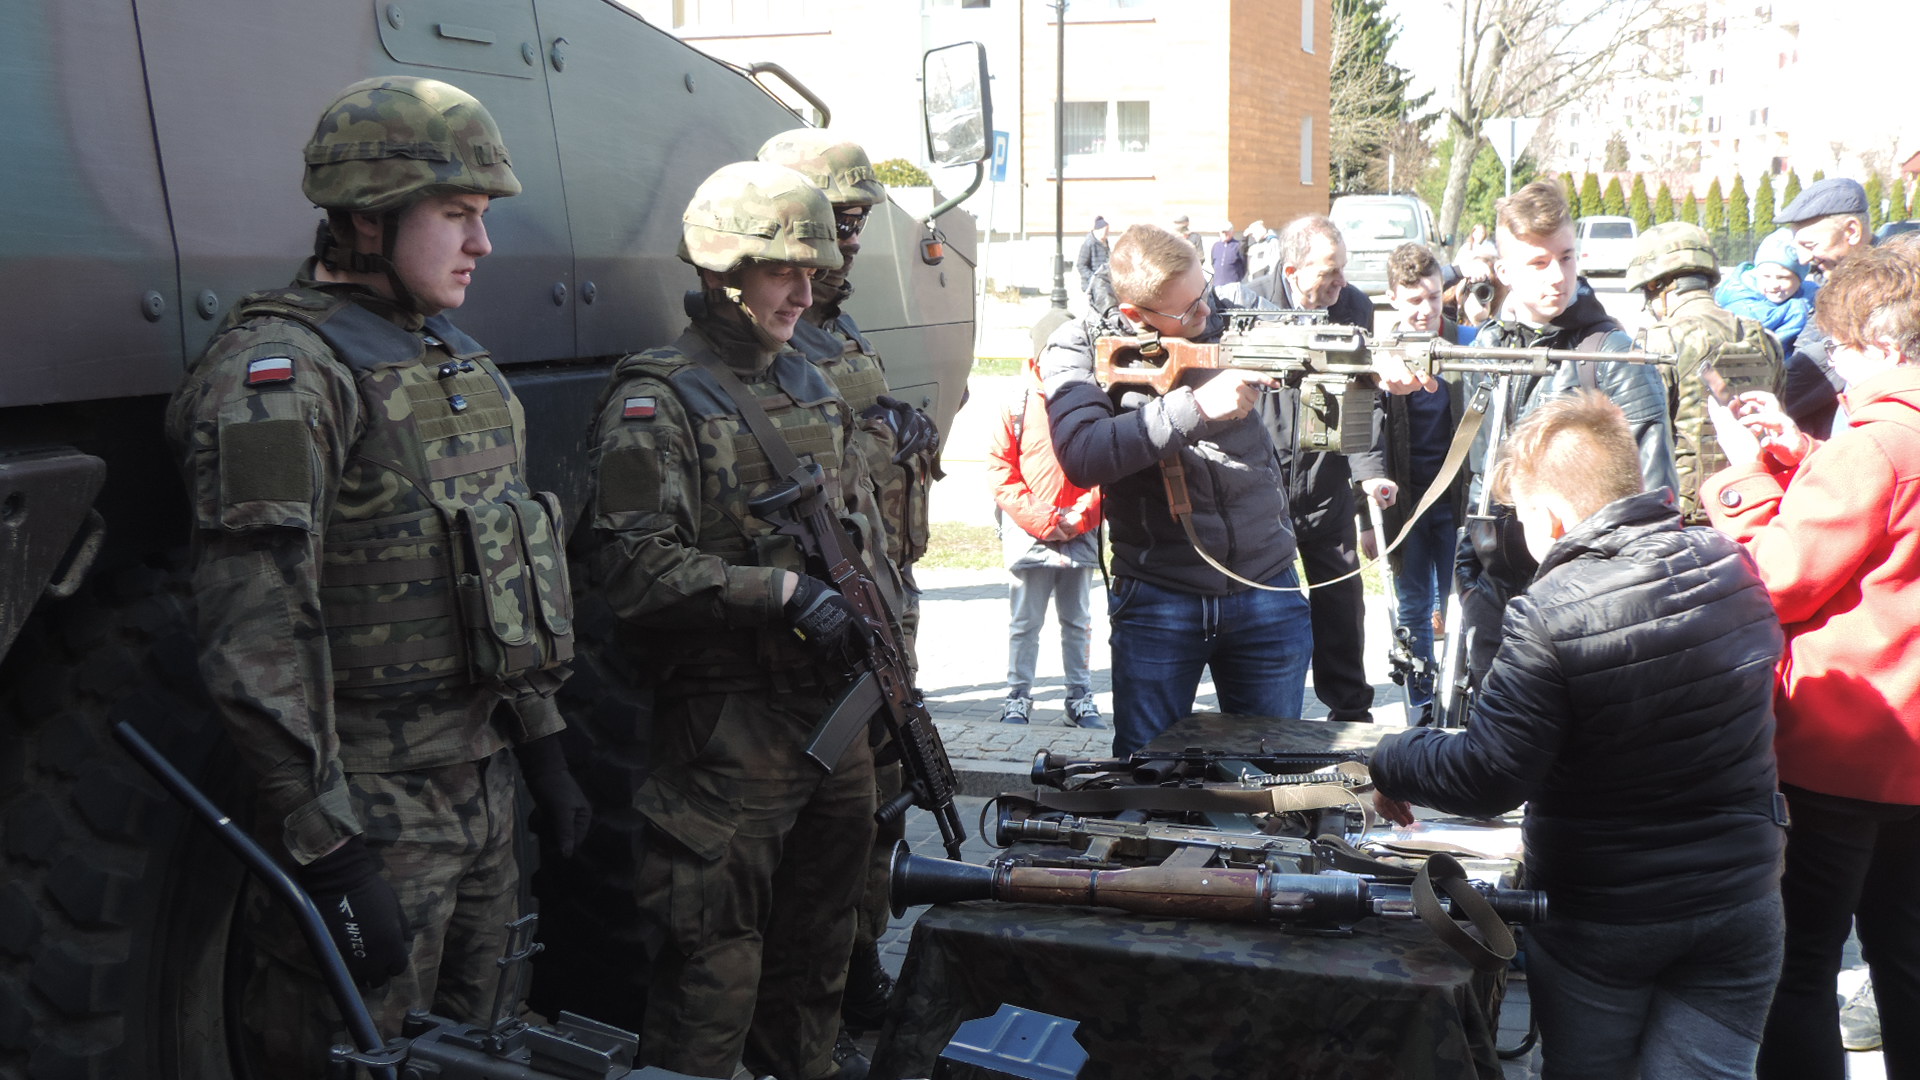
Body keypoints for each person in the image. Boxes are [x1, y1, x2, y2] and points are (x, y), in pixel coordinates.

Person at [163, 76, 588, 1076]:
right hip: (373, 812)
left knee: (484, 1048)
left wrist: (544, 749)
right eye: (457, 215)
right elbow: (257, 627)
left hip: (480, 789)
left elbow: (500, 573)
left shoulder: (449, 359)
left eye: (482, 217)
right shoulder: (279, 378)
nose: (482, 244)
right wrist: (328, 846)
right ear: (367, 219)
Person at [1371, 389, 1787, 1079]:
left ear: (1550, 516)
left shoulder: (1550, 610)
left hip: (1608, 912)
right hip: (1741, 899)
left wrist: (1392, 755)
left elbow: (1489, 775)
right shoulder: (1728, 560)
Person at [583, 161, 877, 1080]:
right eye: (782, 271)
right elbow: (630, 569)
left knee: (820, 950)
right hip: (728, 731)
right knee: (711, 968)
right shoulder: (657, 402)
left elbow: (857, 543)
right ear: (722, 273)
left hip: (833, 718)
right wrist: (778, 594)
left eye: (813, 272)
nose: (805, 293)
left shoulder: (814, 386)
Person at [1702, 239, 1920, 1080]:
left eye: (1844, 353)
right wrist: (1800, 453)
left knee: (1798, 968)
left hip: (1842, 750)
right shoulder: (1878, 441)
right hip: (1908, 758)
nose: (1839, 371)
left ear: (1881, 346)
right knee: (1905, 955)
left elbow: (1775, 580)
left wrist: (1743, 476)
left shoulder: (1874, 443)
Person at [756, 129, 938, 1052]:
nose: (851, 239)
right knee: (837, 822)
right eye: (838, 220)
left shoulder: (839, 325)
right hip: (826, 617)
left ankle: (859, 960)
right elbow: (814, 470)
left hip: (881, 593)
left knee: (886, 797)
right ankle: (830, 985)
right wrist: (882, 436)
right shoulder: (773, 340)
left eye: (860, 221)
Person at [1041, 224, 1307, 757]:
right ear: (1135, 314)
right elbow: (1082, 454)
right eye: (1187, 311)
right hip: (1159, 595)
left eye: (1203, 291)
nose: (1207, 312)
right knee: (1149, 775)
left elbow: (1317, 343)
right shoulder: (1078, 343)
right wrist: (1197, 407)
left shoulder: (1230, 310)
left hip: (1266, 583)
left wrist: (1376, 369)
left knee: (1273, 774)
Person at [1452, 179, 1676, 699]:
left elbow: (1655, 502)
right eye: (1538, 262)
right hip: (1494, 596)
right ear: (1503, 271)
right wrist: (1470, 576)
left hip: (1583, 605)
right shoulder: (1488, 347)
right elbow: (1478, 474)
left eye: (1567, 257)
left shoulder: (1613, 357)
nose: (1557, 276)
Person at [1245, 214, 1382, 724]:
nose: (1341, 282)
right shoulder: (1246, 303)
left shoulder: (1355, 307)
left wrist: (1370, 472)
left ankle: (1350, 714)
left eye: (1343, 269)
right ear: (1292, 270)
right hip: (1260, 487)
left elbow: (1364, 394)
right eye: (1329, 272)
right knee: (1261, 612)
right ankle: (1257, 719)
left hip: (1326, 481)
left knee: (1342, 603)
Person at [1624, 221, 1785, 525]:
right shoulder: (1764, 338)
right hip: (1757, 501)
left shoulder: (1657, 342)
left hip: (1683, 517)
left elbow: (1635, 440)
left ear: (1656, 286)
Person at [1373, 242, 1473, 724]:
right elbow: (1367, 439)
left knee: (1462, 603)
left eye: (1434, 297)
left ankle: (1460, 696)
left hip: (1458, 501)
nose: (1426, 309)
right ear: (1393, 298)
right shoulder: (1381, 356)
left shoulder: (1467, 342)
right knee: (1413, 604)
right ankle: (1420, 702)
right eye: (1414, 300)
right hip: (1407, 503)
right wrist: (1366, 511)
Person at [987, 338, 1105, 729]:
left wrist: (1081, 516)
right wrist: (1045, 519)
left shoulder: (1093, 399)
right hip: (1030, 532)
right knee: (1025, 622)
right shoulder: (1017, 403)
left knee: (1078, 622)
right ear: (1036, 358)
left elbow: (1106, 467)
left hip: (1079, 529)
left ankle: (1079, 697)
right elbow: (1001, 471)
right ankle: (1018, 696)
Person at [1777, 177, 1872, 438]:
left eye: (1810, 245)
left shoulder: (1878, 294)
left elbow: (1810, 370)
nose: (1803, 259)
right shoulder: (1839, 283)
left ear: (1851, 231)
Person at [1716, 227, 1820, 351]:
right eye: (1766, 276)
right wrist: (1801, 307)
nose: (1774, 284)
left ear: (1800, 281)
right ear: (1756, 273)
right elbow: (1761, 327)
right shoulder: (1740, 298)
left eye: (1783, 278)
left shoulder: (1810, 293)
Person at [1076, 215, 1111, 303]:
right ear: (1099, 230)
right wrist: (1093, 277)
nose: (1107, 233)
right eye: (1106, 231)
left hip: (1103, 284)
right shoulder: (1089, 243)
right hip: (1091, 286)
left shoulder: (1105, 242)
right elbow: (1081, 265)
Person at [1209, 221, 1247, 286]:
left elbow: (1244, 265)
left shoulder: (1237, 246)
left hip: (1233, 285)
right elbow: (1213, 263)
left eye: (1226, 232)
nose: (1224, 234)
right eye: (1222, 232)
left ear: (1232, 232)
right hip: (1217, 285)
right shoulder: (1216, 246)